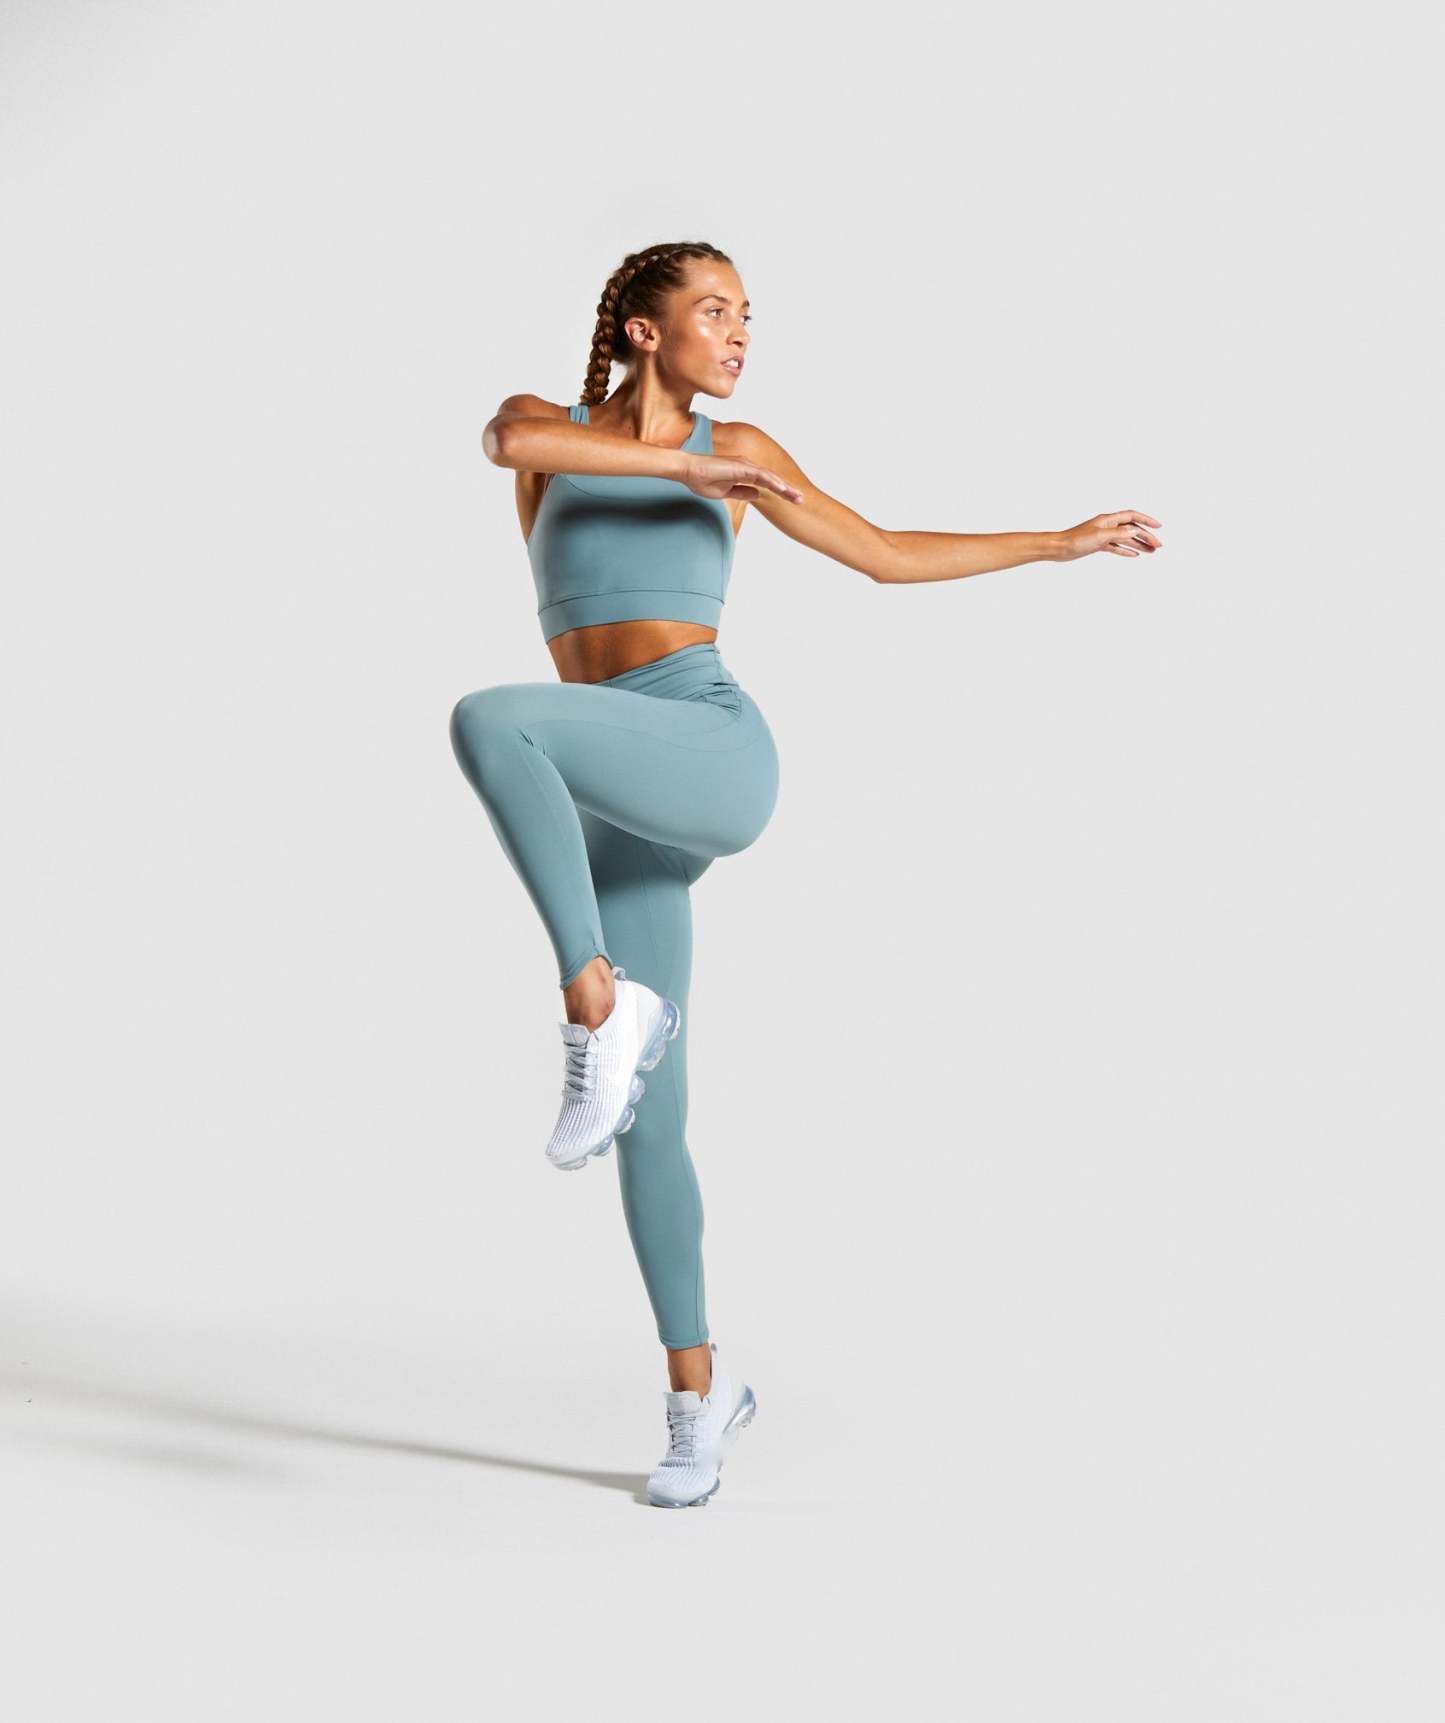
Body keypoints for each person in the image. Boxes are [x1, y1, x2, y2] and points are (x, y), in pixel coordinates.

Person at [449, 240, 1162, 1509]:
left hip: (706, 746)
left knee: (491, 720)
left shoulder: (744, 449)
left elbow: (881, 551)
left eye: (747, 316)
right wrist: (684, 470)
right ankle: (697, 1394)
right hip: (615, 785)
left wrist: (1056, 544)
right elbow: (509, 445)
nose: (739, 334)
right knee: (651, 1126)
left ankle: (593, 1002)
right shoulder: (551, 431)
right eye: (714, 311)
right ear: (645, 331)